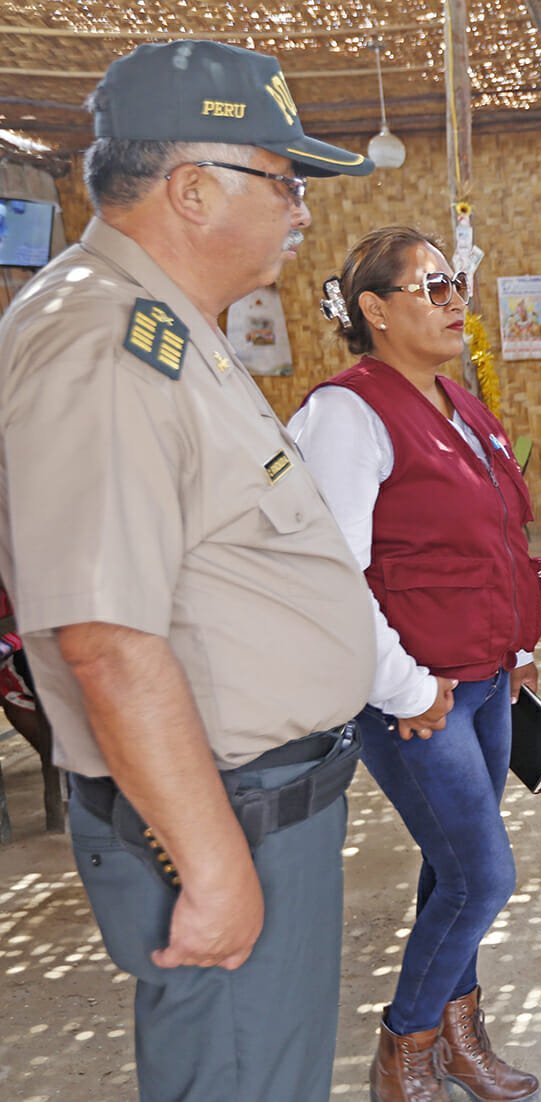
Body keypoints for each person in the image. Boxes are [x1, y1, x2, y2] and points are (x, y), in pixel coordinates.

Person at [0, 40, 376, 1102]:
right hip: (216, 817)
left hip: (250, 800)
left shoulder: (163, 324)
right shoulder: (102, 343)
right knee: (240, 1075)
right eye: (285, 181)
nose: (301, 212)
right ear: (195, 187)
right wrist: (212, 869)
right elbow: (108, 643)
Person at [290, 226, 541, 1102]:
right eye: (431, 287)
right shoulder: (346, 413)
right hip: (416, 696)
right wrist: (405, 686)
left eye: (456, 284)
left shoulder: (456, 402)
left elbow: (497, 537)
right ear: (374, 310)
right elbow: (330, 573)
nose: (453, 301)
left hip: (484, 682)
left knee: (451, 867)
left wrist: (516, 648)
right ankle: (406, 1046)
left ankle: (459, 1035)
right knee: (483, 874)